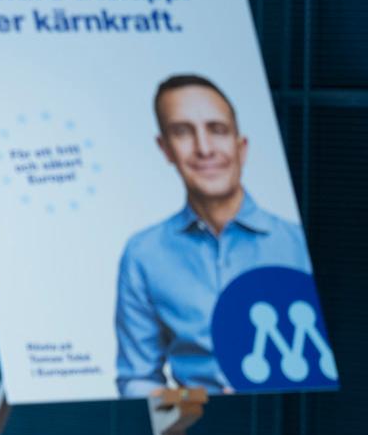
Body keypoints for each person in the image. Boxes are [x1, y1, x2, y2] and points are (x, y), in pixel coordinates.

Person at [115, 74, 309, 398]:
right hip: (195, 429)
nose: (204, 149)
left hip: (291, 426)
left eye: (217, 130)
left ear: (241, 146)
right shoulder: (143, 253)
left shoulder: (298, 244)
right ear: (165, 148)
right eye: (182, 132)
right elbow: (136, 379)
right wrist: (189, 404)